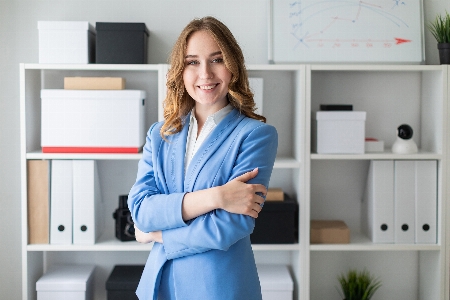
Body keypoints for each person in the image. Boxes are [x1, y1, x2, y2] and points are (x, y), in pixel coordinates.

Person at [128, 16, 278, 300]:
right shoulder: (159, 134)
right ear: (180, 70)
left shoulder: (256, 135)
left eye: (217, 59)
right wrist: (218, 197)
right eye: (193, 62)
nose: (205, 74)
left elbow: (232, 225)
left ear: (233, 66)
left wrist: (159, 234)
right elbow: (141, 211)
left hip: (219, 288)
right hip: (159, 284)